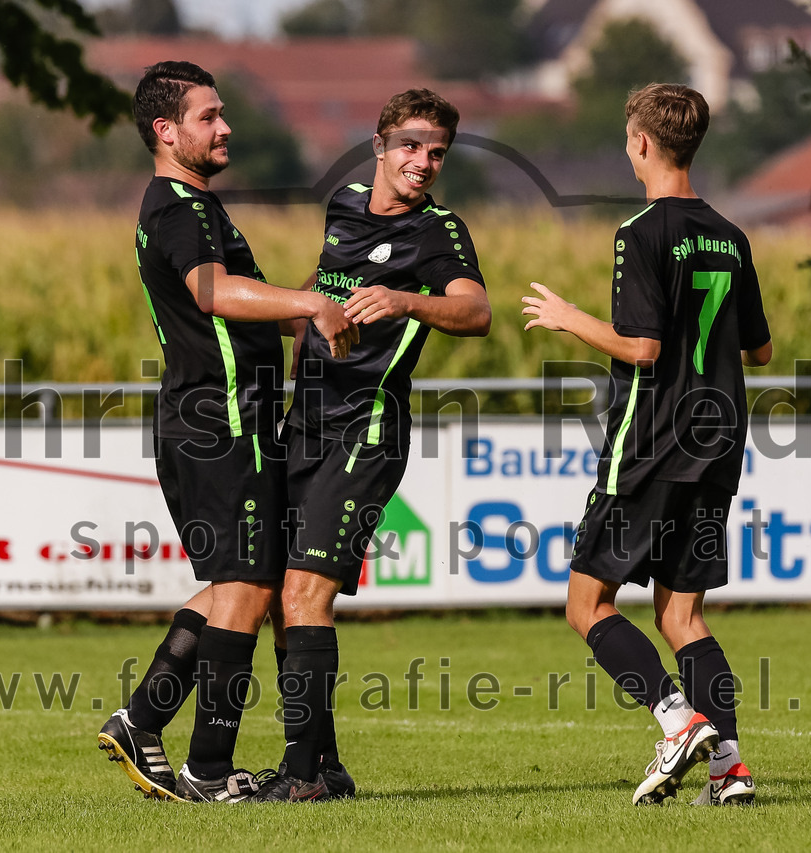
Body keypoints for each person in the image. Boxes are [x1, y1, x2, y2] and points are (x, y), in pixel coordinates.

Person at [96, 60, 357, 804]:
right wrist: (307, 302)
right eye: (209, 117)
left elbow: (235, 301)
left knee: (243, 583)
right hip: (221, 423)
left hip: (216, 421)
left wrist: (307, 313)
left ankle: (142, 716)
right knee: (248, 587)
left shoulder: (192, 205)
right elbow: (211, 292)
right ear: (166, 131)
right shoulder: (179, 208)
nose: (225, 127)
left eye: (222, 114)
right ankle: (208, 768)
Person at [521, 83, 771, 806]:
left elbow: (640, 347)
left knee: (585, 604)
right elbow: (759, 349)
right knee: (681, 614)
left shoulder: (643, 231)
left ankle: (674, 719)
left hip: (652, 440)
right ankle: (729, 771)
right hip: (718, 439)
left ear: (642, 143)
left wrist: (570, 318)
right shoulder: (732, 233)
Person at [248, 88, 492, 802]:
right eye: (413, 146)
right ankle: (323, 764)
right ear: (380, 143)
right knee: (280, 602)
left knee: (303, 591)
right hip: (303, 423)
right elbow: (322, 284)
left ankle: (299, 778)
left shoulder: (438, 232)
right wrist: (285, 313)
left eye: (438, 152)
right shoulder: (345, 202)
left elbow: (475, 311)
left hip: (366, 429)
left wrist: (407, 299)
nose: (424, 162)